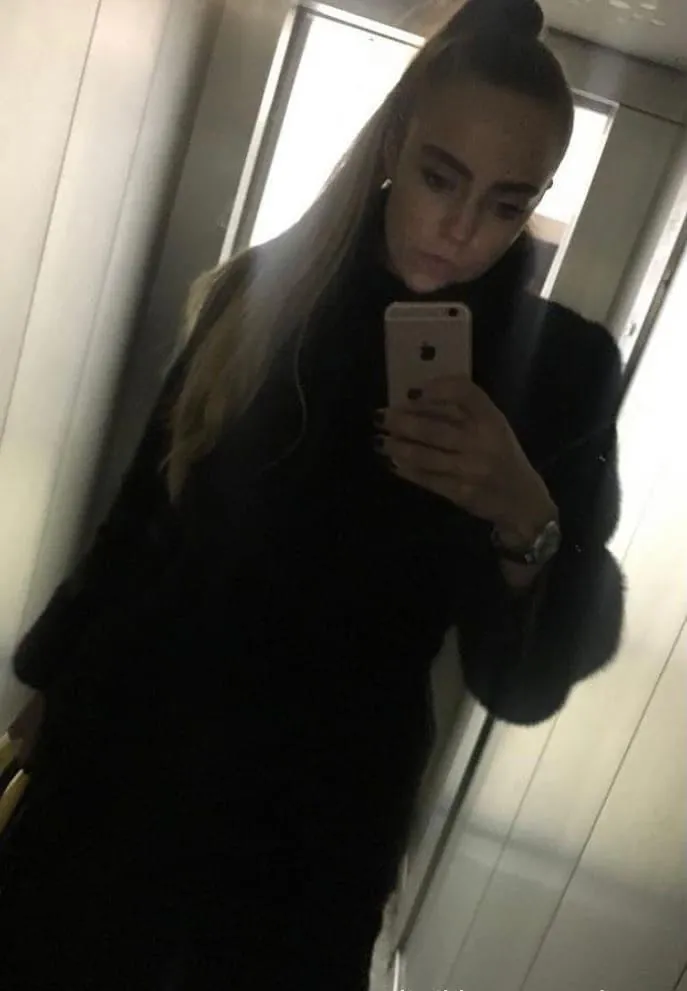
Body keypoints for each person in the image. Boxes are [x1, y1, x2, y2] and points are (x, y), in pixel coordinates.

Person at [0, 0, 625, 987]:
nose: (462, 229)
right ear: (394, 141)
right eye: (440, 177)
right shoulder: (265, 290)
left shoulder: (562, 374)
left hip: (313, 829)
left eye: (507, 203)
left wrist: (523, 510)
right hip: (125, 750)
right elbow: (142, 520)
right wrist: (48, 695)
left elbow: (521, 680)